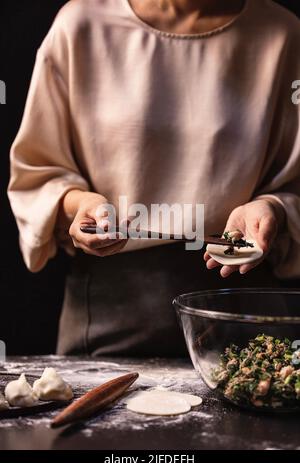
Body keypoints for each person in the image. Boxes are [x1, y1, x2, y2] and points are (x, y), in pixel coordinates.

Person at [8, 0, 300, 357]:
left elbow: (294, 185)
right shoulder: (80, 25)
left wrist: (272, 207)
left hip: (240, 315)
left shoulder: (283, 34)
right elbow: (39, 172)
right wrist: (82, 204)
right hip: (106, 314)